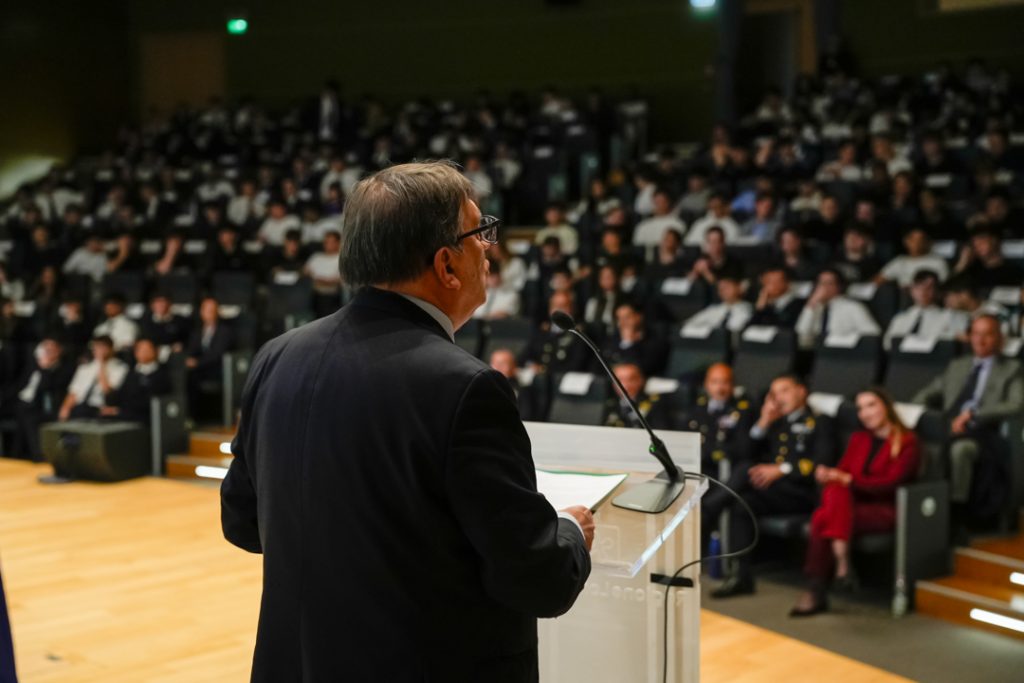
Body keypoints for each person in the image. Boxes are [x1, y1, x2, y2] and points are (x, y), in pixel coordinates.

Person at [220, 161, 593, 682]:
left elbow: (242, 522)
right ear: (446, 265)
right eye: (479, 231)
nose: (489, 247)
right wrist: (571, 531)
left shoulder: (278, 356)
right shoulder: (467, 387)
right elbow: (536, 580)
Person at [790, 388, 920, 616]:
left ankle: (818, 587)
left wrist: (848, 480)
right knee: (831, 498)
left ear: (886, 407)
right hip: (851, 506)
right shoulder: (859, 439)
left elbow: (890, 484)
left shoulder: (907, 441)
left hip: (886, 508)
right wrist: (830, 474)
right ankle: (841, 564)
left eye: (871, 405)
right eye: (860, 408)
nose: (865, 413)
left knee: (822, 517)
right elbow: (843, 472)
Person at [707, 374, 835, 597]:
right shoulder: (777, 423)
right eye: (774, 394)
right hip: (774, 493)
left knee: (745, 472)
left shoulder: (820, 421)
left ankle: (708, 507)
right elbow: (745, 453)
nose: (779, 398)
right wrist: (764, 422)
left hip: (802, 492)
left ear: (801, 391)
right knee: (741, 504)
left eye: (784, 391)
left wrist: (782, 469)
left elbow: (822, 462)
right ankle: (741, 576)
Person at [912, 315, 1024, 536]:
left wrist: (973, 414)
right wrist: (916, 411)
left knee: (960, 450)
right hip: (948, 424)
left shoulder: (1012, 368)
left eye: (988, 334)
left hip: (984, 432)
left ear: (1000, 339)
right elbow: (930, 391)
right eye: (976, 334)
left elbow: (1016, 404)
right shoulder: (958, 365)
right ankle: (918, 508)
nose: (981, 340)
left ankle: (957, 513)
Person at [682, 363, 753, 478]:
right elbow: (684, 435)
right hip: (695, 463)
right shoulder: (699, 406)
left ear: (733, 385)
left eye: (725, 382)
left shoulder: (741, 410)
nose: (719, 388)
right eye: (714, 382)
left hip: (721, 467)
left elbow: (742, 448)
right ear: (706, 384)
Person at [14, 338, 75, 461]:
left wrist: (45, 369)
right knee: (23, 411)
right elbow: (20, 385)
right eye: (45, 349)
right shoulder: (33, 364)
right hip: (23, 402)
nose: (47, 353)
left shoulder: (65, 368)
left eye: (51, 350)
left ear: (59, 351)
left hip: (45, 407)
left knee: (28, 416)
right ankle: (17, 454)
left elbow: (48, 387)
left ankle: (36, 455)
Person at [794, 268, 880, 349]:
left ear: (839, 286)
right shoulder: (814, 308)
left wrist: (848, 339)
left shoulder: (853, 307)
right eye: (821, 283)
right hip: (818, 355)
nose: (824, 288)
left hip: (844, 353)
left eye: (829, 283)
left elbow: (873, 335)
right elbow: (801, 338)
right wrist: (810, 305)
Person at [100, 338, 172, 424]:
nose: (142, 352)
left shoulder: (161, 375)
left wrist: (120, 411)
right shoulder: (132, 373)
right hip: (124, 414)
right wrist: (110, 404)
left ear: (155, 351)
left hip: (143, 418)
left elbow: (150, 403)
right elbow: (121, 394)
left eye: (146, 349)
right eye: (139, 349)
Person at [58, 336, 129, 420]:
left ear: (111, 349)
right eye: (96, 347)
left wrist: (101, 364)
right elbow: (74, 392)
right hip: (81, 408)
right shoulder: (84, 368)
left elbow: (109, 393)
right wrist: (65, 407)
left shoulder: (120, 368)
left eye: (103, 347)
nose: (99, 350)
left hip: (102, 408)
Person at [185, 297, 234, 418]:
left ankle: (194, 416)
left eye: (212, 310)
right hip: (200, 369)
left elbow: (217, 354)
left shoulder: (224, 331)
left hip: (217, 369)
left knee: (192, 376)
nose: (209, 313)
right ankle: (188, 416)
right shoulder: (197, 331)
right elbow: (192, 350)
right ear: (201, 312)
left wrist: (197, 363)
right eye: (206, 310)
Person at [883, 270, 958, 349]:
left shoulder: (948, 316)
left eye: (929, 288)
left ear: (937, 290)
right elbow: (887, 344)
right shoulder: (900, 318)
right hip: (901, 359)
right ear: (912, 290)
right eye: (918, 287)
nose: (923, 292)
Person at [602, 362, 673, 429]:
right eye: (619, 380)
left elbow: (661, 430)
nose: (624, 384)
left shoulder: (655, 403)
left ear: (641, 380)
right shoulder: (607, 403)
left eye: (631, 379)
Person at [875, 227, 949, 287]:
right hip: (904, 299)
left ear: (927, 242)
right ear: (906, 241)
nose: (917, 243)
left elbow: (944, 285)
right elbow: (878, 280)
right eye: (913, 240)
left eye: (921, 240)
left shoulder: (938, 262)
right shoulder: (900, 261)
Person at [681, 274, 752, 334]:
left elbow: (734, 329)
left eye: (727, 287)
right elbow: (689, 323)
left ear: (739, 287)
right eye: (720, 289)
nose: (722, 291)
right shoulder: (714, 309)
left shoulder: (746, 309)